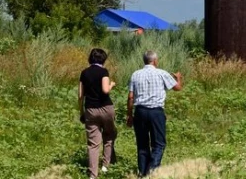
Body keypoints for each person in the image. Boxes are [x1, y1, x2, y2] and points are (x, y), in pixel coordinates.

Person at [125, 50, 184, 177]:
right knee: (159, 144)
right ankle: (151, 172)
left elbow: (130, 97)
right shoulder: (161, 73)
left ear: (144, 60)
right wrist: (178, 78)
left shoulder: (135, 74)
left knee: (142, 145)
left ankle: (142, 172)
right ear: (155, 61)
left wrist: (129, 115)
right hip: (156, 112)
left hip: (140, 111)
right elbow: (178, 88)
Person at [78, 48, 117, 178]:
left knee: (93, 144)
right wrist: (111, 84)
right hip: (106, 108)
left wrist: (81, 111)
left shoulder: (84, 73)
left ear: (90, 58)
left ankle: (92, 175)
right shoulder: (103, 71)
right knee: (109, 136)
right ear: (103, 59)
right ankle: (105, 166)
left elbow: (80, 95)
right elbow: (105, 90)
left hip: (90, 109)